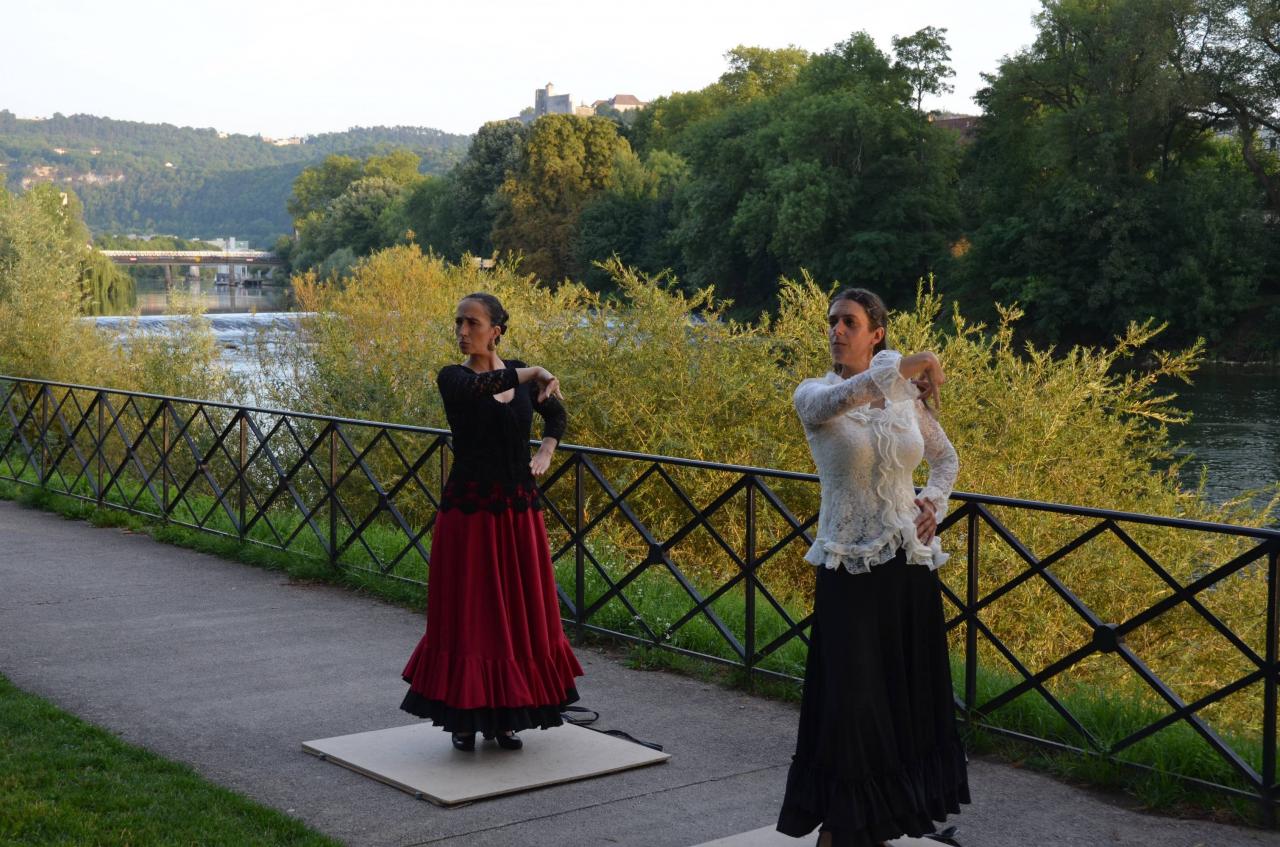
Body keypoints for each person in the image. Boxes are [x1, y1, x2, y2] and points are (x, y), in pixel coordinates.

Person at [777, 288, 969, 846]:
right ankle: (839, 829)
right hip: (849, 568)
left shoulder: (905, 398)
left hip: (908, 567)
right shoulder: (815, 394)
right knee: (853, 703)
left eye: (850, 322)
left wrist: (933, 502)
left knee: (899, 697)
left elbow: (946, 458)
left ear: (875, 332)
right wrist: (911, 364)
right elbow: (850, 396)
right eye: (833, 321)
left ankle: (881, 824)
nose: (837, 330)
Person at [400, 292, 583, 752]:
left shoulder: (518, 375)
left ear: (496, 330)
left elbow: (556, 412)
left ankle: (506, 718)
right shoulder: (453, 378)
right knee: (473, 615)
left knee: (517, 618)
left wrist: (545, 448)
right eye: (458, 323)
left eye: (472, 324)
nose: (462, 332)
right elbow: (482, 387)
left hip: (518, 514)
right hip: (469, 515)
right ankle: (464, 716)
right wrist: (533, 371)